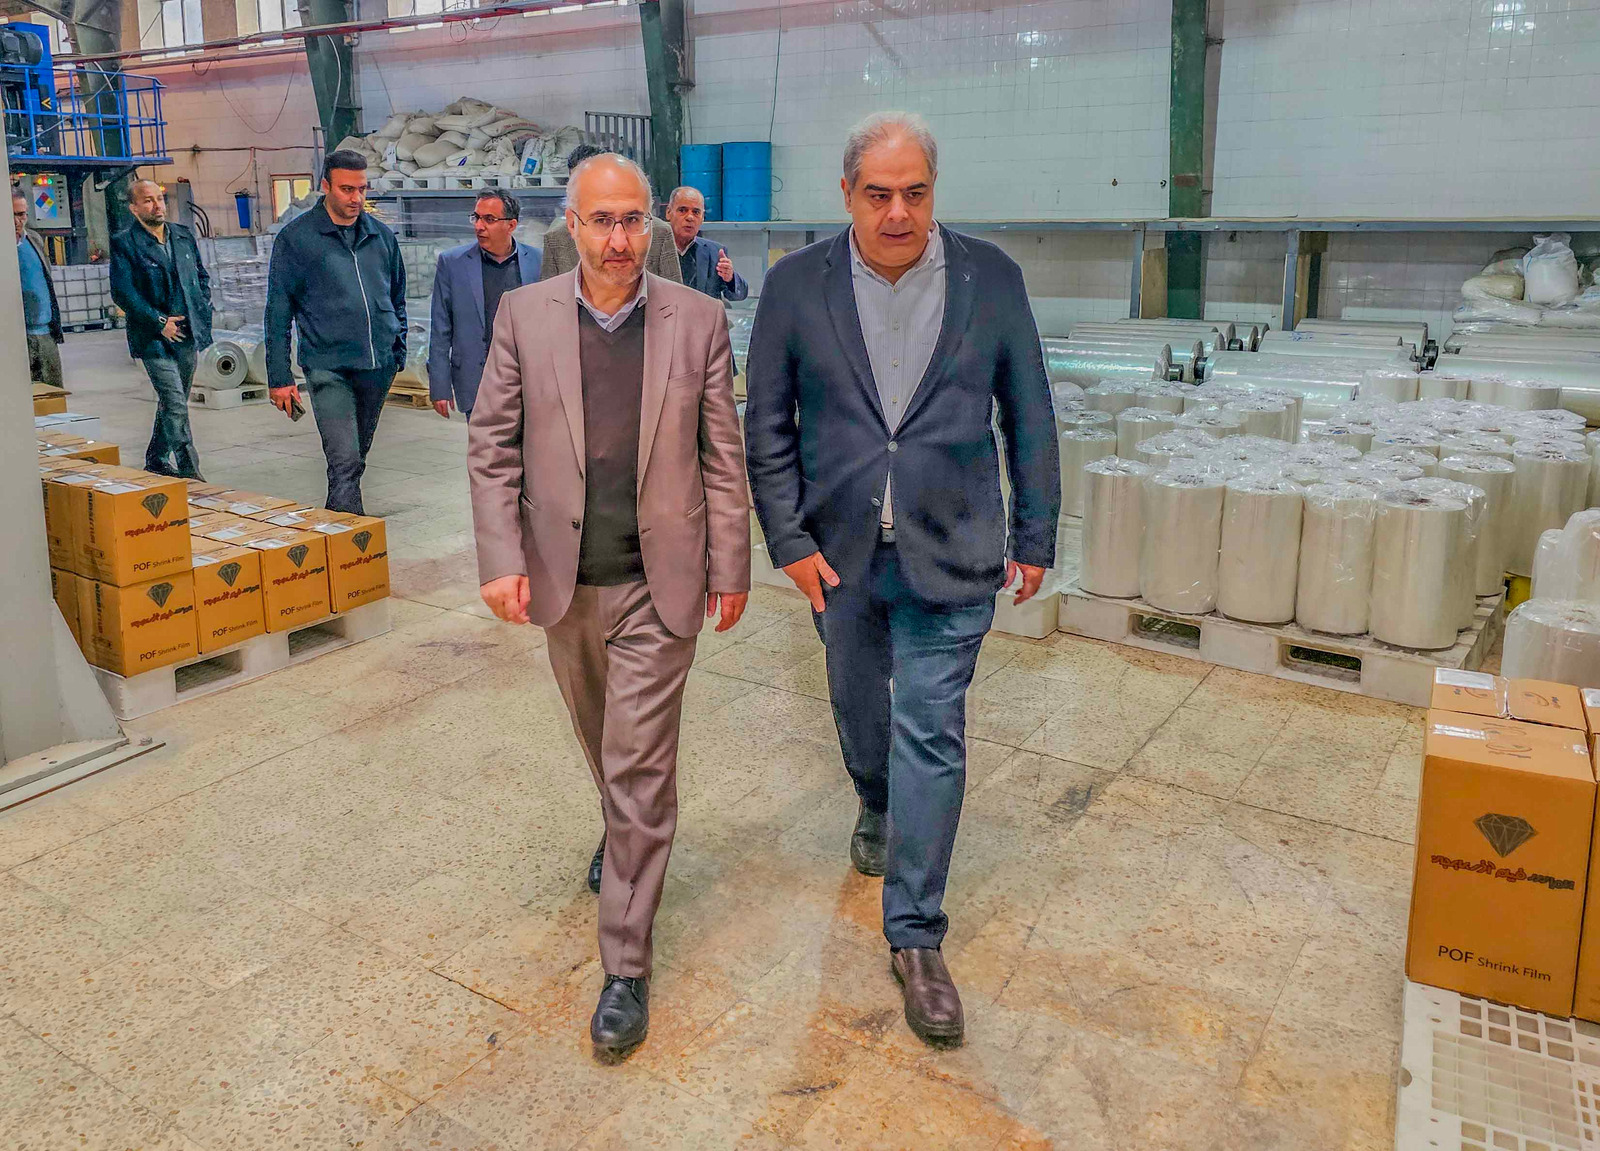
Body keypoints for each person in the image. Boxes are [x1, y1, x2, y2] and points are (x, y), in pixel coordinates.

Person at [743, 112, 1060, 1047]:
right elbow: (767, 425)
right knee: (858, 704)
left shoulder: (989, 279)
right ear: (846, 194)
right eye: (878, 195)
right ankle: (874, 799)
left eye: (914, 194)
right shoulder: (796, 285)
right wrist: (787, 539)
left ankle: (916, 933)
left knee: (933, 729)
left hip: (952, 544)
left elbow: (1029, 410)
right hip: (838, 553)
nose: (897, 214)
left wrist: (1035, 531)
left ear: (934, 192)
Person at [470, 153, 749, 1055]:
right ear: (573, 226)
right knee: (604, 742)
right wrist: (500, 556)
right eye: (603, 221)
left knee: (638, 763)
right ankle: (624, 830)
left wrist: (732, 564)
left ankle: (625, 962)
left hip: (660, 583)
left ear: (654, 225)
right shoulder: (524, 316)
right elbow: (492, 444)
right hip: (564, 582)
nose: (620, 239)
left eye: (635, 220)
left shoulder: (697, 321)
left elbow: (723, 455)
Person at [264, 150, 406, 514]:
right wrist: (279, 377)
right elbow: (278, 312)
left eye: (362, 189)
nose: (356, 198)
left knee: (354, 459)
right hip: (328, 367)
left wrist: (398, 348)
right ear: (325, 186)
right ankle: (352, 535)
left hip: (378, 365)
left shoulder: (380, 237)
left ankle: (335, 530)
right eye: (346, 189)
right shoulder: (297, 240)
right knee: (344, 458)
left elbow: (397, 297)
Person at [109, 179, 213, 479]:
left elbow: (200, 277)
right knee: (175, 402)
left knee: (173, 402)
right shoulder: (125, 243)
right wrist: (159, 322)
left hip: (186, 334)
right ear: (134, 208)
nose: (158, 205)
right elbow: (124, 293)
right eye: (148, 200)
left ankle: (156, 459)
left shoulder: (182, 235)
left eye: (160, 198)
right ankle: (190, 471)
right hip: (153, 337)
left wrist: (202, 306)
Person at [426, 190, 542, 420]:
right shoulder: (453, 263)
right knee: (483, 443)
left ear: (511, 225)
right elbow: (440, 328)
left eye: (489, 219)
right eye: (476, 217)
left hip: (525, 380)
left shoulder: (537, 261)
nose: (479, 226)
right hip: (476, 381)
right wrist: (440, 385)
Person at [540, 144, 683, 284]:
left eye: (632, 219)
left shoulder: (660, 232)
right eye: (601, 220)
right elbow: (549, 295)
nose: (619, 244)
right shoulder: (556, 238)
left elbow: (674, 292)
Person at [14, 187, 64, 389]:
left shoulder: (33, 239)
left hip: (45, 334)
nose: (17, 221)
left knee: (53, 396)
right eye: (11, 215)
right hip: (15, 338)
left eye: (21, 214)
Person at [666, 186, 748, 303]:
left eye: (696, 212)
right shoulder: (652, 249)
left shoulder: (715, 252)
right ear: (668, 212)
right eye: (682, 210)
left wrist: (730, 278)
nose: (690, 217)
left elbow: (739, 295)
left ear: (702, 217)